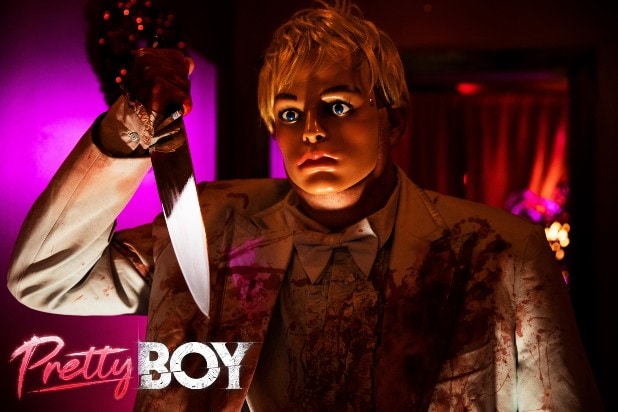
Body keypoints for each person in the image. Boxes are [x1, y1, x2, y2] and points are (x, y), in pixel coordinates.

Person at [7, 1, 603, 410]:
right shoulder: (207, 232)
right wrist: (128, 129)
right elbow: (44, 277)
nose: (311, 129)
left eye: (337, 105)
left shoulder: (500, 252)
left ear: (394, 119)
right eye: (290, 113)